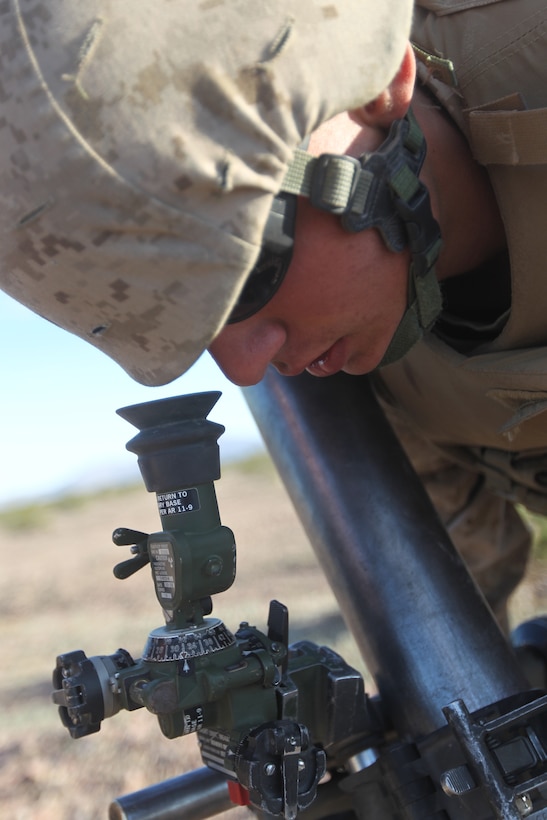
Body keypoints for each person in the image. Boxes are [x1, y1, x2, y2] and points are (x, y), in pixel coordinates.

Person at [1, 0, 546, 632]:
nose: (246, 365)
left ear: (376, 89)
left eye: (248, 280)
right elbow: (472, 612)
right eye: (202, 329)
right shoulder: (358, 359)